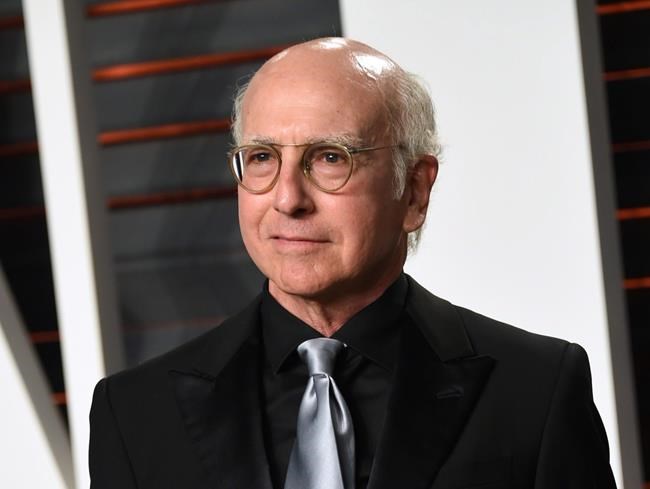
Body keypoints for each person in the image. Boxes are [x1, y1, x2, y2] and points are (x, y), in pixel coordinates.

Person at [89, 38, 617, 489]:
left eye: (329, 157)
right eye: (263, 157)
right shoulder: (135, 414)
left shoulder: (536, 390)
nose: (288, 199)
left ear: (415, 190)